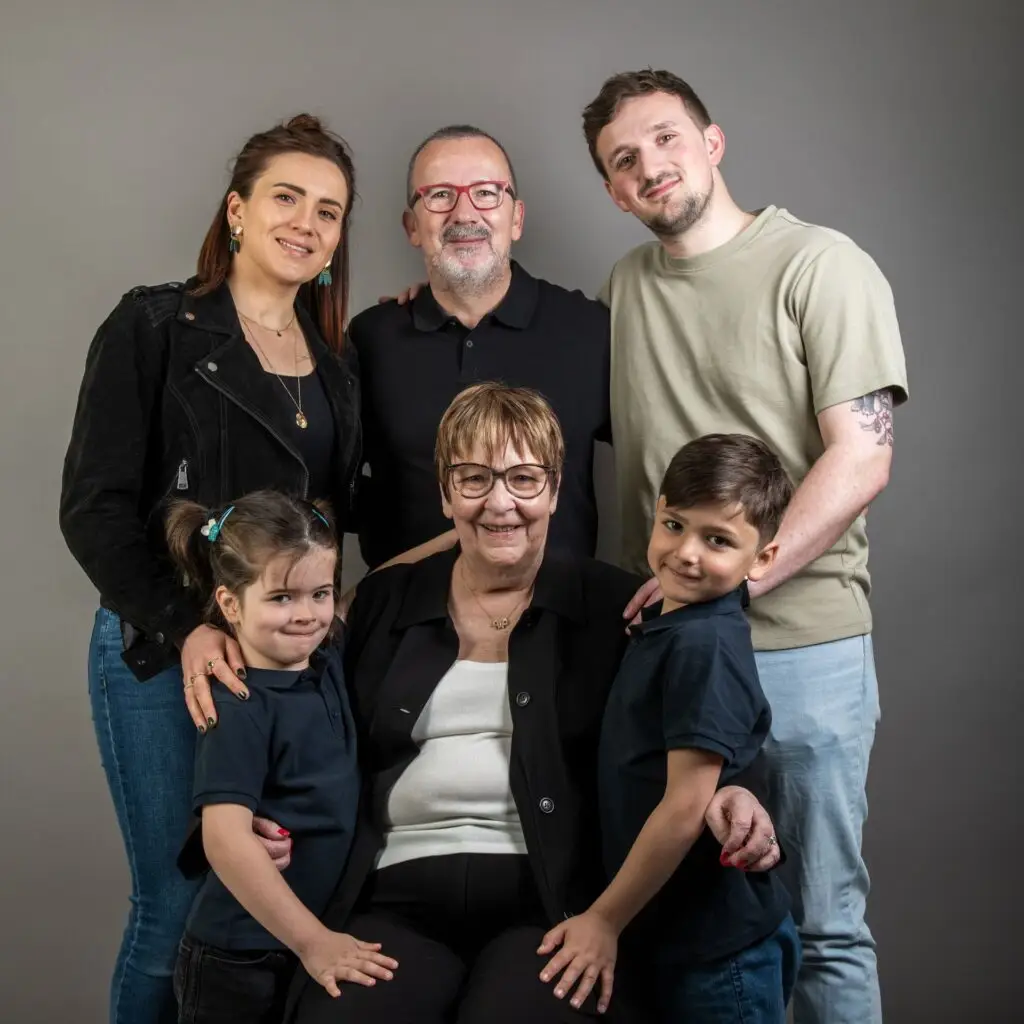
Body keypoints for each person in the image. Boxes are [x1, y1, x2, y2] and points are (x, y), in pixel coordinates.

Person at [284, 383, 784, 1024]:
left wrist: (734, 791)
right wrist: (265, 814)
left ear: (553, 490)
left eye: (523, 479)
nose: (500, 503)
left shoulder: (621, 608)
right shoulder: (384, 603)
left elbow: (699, 713)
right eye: (472, 479)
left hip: (555, 905)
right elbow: (298, 719)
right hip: (391, 901)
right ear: (444, 492)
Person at [582, 69, 910, 1024]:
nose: (651, 167)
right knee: (691, 915)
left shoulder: (822, 264)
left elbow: (863, 458)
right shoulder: (624, 288)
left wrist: (739, 576)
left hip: (801, 647)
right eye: (624, 159)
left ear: (713, 142)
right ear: (611, 188)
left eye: (666, 139)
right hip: (672, 659)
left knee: (824, 923)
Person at [59, 114, 362, 1024]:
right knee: (176, 905)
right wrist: (186, 624)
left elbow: (339, 525)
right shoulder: (154, 325)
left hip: (289, 673)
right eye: (286, 197)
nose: (307, 222)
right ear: (237, 210)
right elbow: (93, 509)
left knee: (267, 900)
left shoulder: (337, 373)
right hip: (162, 656)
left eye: (330, 211)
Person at [537, 434, 800, 1022]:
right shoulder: (667, 623)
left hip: (720, 952)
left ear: (761, 560)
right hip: (674, 938)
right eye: (675, 525)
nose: (686, 553)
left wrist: (604, 918)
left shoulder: (704, 645)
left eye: (718, 540)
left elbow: (686, 805)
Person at [163, 491, 398, 1024]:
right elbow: (223, 839)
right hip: (238, 958)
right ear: (229, 604)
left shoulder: (324, 655)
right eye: (281, 598)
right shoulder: (239, 703)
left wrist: (463, 533)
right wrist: (314, 942)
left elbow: (377, 583)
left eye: (319, 592)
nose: (306, 615)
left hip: (299, 943)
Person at [349, 125, 613, 570]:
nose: (464, 213)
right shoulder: (371, 339)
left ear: (517, 218)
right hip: (403, 626)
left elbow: (659, 460)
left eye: (487, 193)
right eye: (439, 196)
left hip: (559, 624)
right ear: (413, 226)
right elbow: (330, 485)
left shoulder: (591, 330)